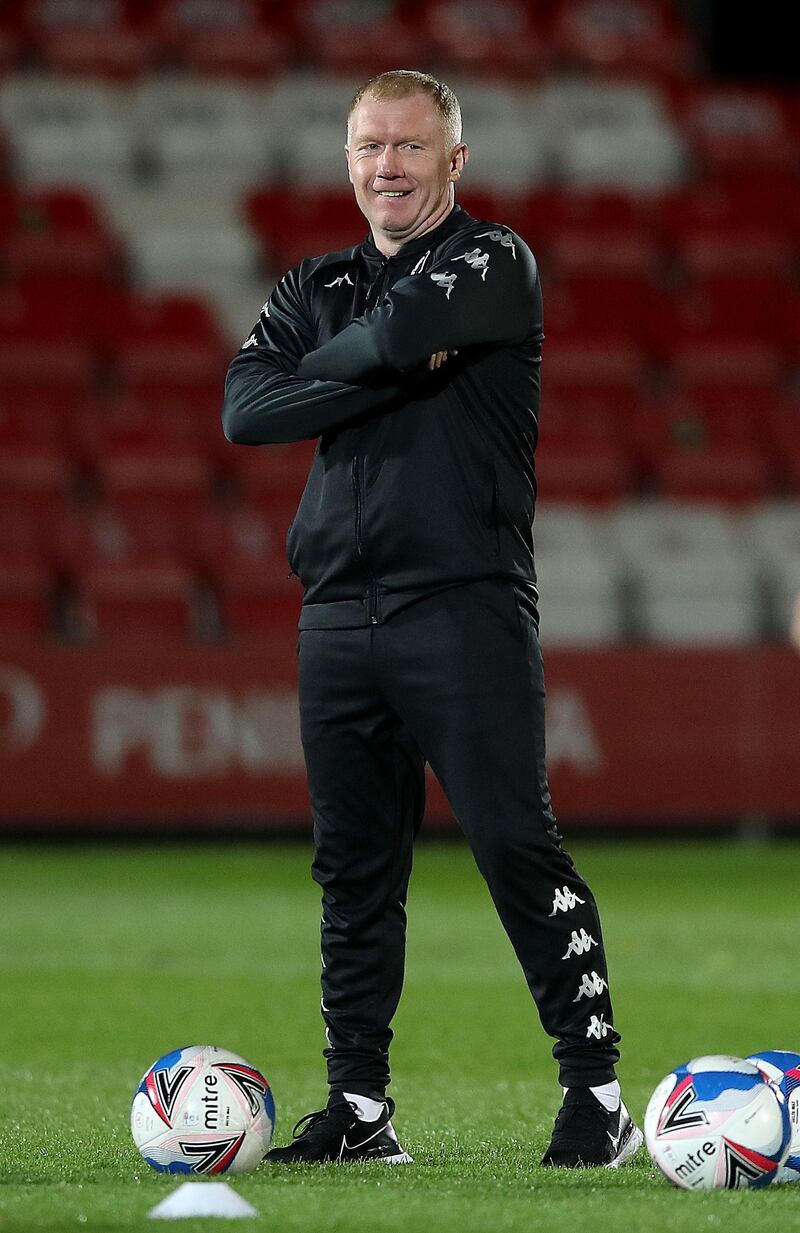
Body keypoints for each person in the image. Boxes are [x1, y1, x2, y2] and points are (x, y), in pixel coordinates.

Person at [222, 69, 642, 1170]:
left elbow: (321, 375)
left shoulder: (492, 261)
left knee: (513, 842)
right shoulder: (314, 279)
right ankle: (360, 1111)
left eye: (410, 147)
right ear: (345, 157)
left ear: (454, 161)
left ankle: (594, 1094)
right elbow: (244, 409)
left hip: (460, 603)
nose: (387, 167)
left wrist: (360, 363)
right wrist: (394, 367)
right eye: (369, 146)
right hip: (336, 614)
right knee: (353, 870)